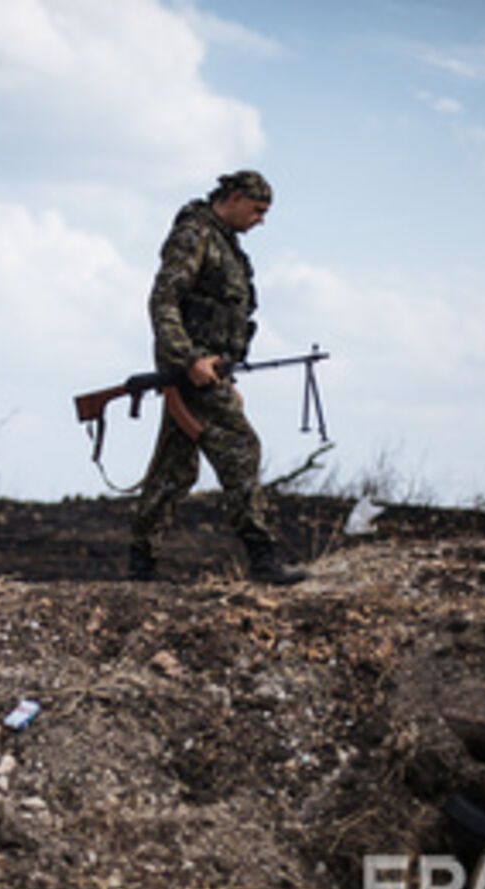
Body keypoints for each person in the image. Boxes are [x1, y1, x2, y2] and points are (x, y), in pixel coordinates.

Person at [129, 170, 309, 585]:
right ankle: (263, 560)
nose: (260, 220)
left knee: (174, 470)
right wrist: (189, 359)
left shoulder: (224, 243)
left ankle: (141, 564)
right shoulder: (195, 235)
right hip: (192, 372)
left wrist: (226, 378)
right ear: (234, 197)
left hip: (209, 374)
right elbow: (164, 300)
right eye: (257, 210)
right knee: (241, 448)